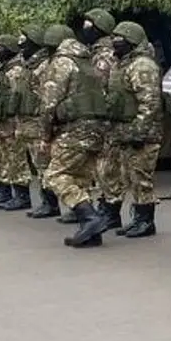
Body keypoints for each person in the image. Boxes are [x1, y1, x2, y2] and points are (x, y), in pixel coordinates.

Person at [38, 24, 112, 247]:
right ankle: (90, 231)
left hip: (73, 129)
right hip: (96, 127)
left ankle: (91, 218)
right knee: (78, 178)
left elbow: (49, 103)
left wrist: (45, 135)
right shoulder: (86, 61)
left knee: (54, 176)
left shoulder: (61, 62)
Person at [107, 21, 163, 238]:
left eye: (120, 39)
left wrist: (138, 131)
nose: (115, 43)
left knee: (141, 177)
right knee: (131, 176)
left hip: (143, 134)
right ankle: (139, 217)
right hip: (127, 131)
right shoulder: (123, 64)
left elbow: (150, 103)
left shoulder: (142, 65)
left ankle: (146, 220)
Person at [80, 8, 124, 229]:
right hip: (98, 117)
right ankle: (106, 205)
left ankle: (112, 210)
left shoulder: (105, 53)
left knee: (108, 167)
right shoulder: (94, 51)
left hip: (106, 118)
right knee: (101, 167)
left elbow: (100, 83)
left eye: (89, 24)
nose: (85, 28)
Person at [0, 34, 31, 210]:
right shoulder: (0, 69)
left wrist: (19, 126)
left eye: (0, 48)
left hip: (12, 122)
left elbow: (18, 100)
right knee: (1, 158)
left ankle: (22, 196)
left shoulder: (17, 71)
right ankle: (4, 192)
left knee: (16, 159)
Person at [21, 25, 62, 220]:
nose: (22, 45)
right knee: (39, 165)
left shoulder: (44, 66)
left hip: (40, 122)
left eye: (26, 41)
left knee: (45, 164)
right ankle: (47, 201)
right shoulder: (31, 65)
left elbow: (48, 99)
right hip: (32, 122)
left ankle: (51, 202)